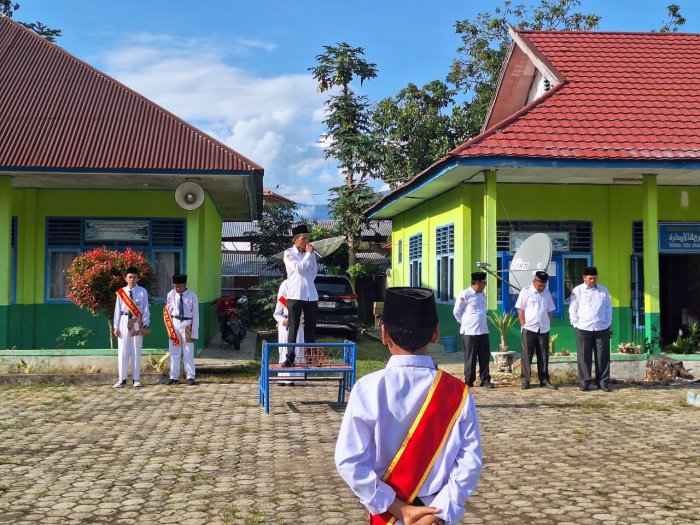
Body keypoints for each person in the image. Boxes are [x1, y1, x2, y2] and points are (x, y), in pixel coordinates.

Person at [335, 287, 483, 525]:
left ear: (384, 334)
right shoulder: (458, 393)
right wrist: (438, 513)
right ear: (436, 334)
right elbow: (469, 464)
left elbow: (349, 461)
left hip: (388, 515)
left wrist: (399, 509)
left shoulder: (367, 388)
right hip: (435, 517)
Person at [569, 266, 613, 392]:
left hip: (601, 328)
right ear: (584, 278)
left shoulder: (603, 290)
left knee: (602, 356)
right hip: (583, 328)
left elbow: (608, 308)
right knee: (584, 356)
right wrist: (575, 324)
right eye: (590, 278)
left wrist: (608, 323)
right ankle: (584, 382)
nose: (592, 281)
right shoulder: (578, 290)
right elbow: (573, 308)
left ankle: (602, 382)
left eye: (594, 278)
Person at [515, 271, 557, 390]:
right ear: (534, 281)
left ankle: (544, 380)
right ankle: (525, 380)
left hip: (543, 329)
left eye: (544, 284)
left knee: (543, 355)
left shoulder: (546, 293)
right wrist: (523, 325)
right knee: (527, 356)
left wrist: (548, 324)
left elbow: (550, 310)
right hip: (529, 328)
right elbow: (521, 310)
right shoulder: (526, 291)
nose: (542, 286)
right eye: (540, 284)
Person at [283, 224, 318, 367]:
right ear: (295, 239)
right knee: (293, 327)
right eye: (304, 238)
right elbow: (300, 269)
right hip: (295, 294)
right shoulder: (289, 253)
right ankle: (290, 359)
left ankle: (311, 358)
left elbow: (313, 273)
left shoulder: (311, 254)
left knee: (311, 327)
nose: (307, 241)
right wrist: (308, 255)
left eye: (308, 238)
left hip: (311, 295)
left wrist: (309, 255)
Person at [453, 271, 494, 388]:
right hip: (470, 331)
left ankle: (485, 379)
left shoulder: (482, 294)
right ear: (477, 283)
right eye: (484, 283)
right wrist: (464, 323)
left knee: (484, 356)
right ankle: (469, 380)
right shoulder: (465, 294)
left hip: (483, 330)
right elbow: (456, 312)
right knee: (471, 357)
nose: (485, 285)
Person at [112, 266, 150, 388]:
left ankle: (136, 379)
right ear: (125, 278)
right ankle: (122, 379)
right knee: (123, 350)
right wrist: (116, 326)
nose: (132, 279)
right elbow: (117, 310)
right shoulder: (121, 292)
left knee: (136, 349)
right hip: (123, 320)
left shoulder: (142, 291)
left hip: (136, 321)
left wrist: (145, 324)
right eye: (129, 277)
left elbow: (145, 309)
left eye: (134, 277)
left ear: (138, 278)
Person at [164, 274, 199, 386]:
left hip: (187, 323)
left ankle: (190, 376)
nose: (176, 288)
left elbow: (195, 314)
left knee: (188, 351)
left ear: (184, 285)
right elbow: (168, 310)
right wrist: (170, 328)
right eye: (174, 286)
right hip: (175, 323)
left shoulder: (192, 296)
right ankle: (173, 376)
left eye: (178, 286)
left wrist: (194, 333)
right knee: (174, 351)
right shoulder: (171, 294)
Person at [273, 279, 305, 386]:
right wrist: (283, 320)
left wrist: (302, 318)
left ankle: (295, 378)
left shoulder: (302, 300)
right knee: (284, 350)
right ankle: (283, 378)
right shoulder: (282, 300)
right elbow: (276, 314)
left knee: (298, 350)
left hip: (298, 326)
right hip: (285, 327)